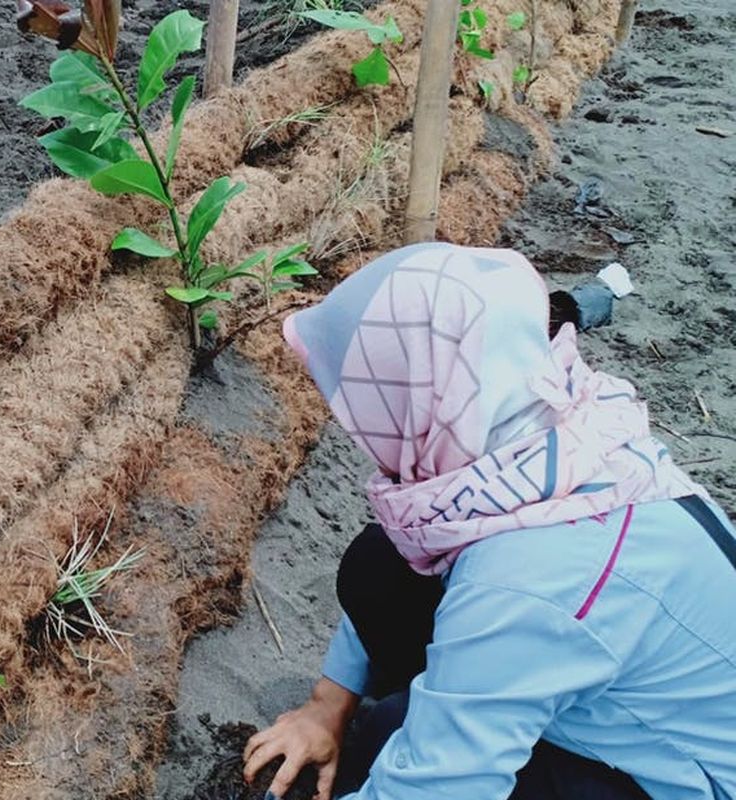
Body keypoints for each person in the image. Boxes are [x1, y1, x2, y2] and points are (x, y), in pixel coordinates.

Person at [242, 243, 736, 800]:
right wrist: (324, 709)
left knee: (391, 739)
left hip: (689, 779)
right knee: (381, 567)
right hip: (619, 689)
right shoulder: (549, 434)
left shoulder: (524, 577)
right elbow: (419, 560)